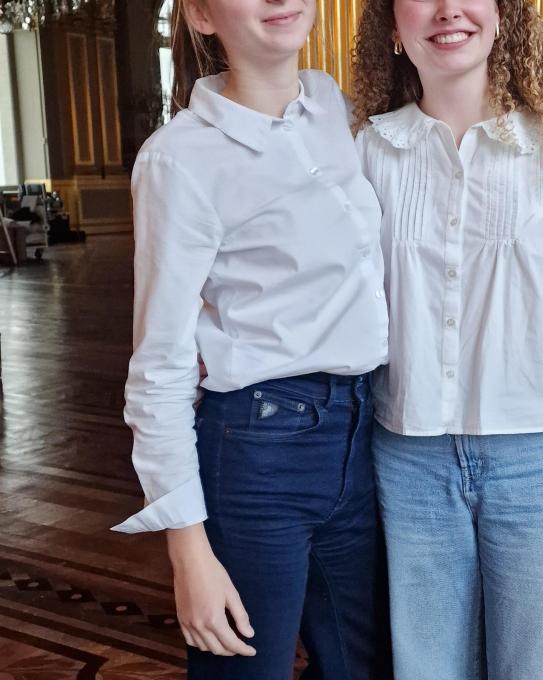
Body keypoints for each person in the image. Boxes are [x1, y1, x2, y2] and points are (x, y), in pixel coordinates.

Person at [112, 1, 391, 678]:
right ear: (202, 15)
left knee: (363, 667)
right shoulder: (179, 158)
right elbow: (159, 363)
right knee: (245, 670)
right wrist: (188, 551)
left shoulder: (337, 108)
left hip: (364, 435)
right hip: (259, 451)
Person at [352, 0, 543, 678]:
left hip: (541, 459)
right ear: (392, 26)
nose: (448, 9)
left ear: (504, 15)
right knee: (427, 666)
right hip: (409, 459)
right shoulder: (367, 151)